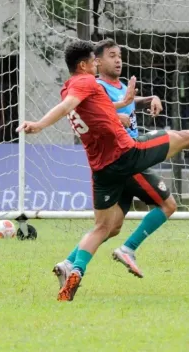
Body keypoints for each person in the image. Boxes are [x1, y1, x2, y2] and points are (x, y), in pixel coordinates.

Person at [17, 40, 189, 301]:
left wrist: (126, 102)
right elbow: (68, 106)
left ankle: (76, 270)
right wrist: (39, 124)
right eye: (94, 61)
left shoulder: (69, 86)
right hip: (127, 153)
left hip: (102, 169)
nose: (96, 65)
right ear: (83, 65)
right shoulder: (86, 82)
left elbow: (86, 106)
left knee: (103, 227)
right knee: (186, 137)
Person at [52, 38, 176, 284]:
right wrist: (119, 117)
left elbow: (125, 101)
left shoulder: (117, 85)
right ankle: (128, 249)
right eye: (111, 55)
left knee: (112, 225)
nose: (118, 59)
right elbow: (98, 110)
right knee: (168, 205)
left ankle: (69, 263)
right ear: (95, 62)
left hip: (123, 156)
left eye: (119, 54)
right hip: (125, 156)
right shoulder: (93, 84)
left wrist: (149, 98)